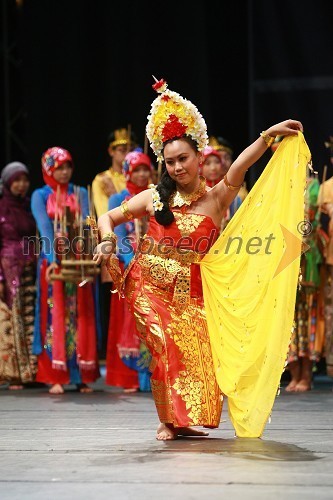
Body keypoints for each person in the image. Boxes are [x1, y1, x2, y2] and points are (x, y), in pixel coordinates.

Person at [94, 78, 308, 440]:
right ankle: (166, 420)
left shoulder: (218, 198)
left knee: (202, 358)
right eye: (171, 161)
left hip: (194, 290)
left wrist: (267, 135)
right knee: (164, 343)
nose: (177, 167)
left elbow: (240, 165)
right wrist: (106, 240)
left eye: (184, 159)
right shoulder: (153, 197)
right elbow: (109, 217)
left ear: (199, 158)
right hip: (149, 283)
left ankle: (183, 422)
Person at [31, 147, 100, 394]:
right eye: (58, 167)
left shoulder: (80, 193)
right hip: (55, 260)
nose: (64, 172)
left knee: (82, 314)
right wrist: (52, 259)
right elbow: (44, 228)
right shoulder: (40, 195)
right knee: (55, 315)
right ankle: (55, 375)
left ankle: (82, 375)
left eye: (67, 166)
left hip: (78, 258)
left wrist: (88, 251)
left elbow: (87, 225)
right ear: (49, 169)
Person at [106, 150, 153, 392]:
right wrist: (131, 259)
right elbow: (120, 236)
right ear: (127, 173)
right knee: (129, 319)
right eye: (137, 170)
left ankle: (150, 375)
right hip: (130, 265)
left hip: (154, 263)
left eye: (146, 169)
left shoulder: (156, 195)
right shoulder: (118, 199)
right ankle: (129, 377)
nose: (143, 174)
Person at [92, 128, 136, 360]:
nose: (125, 153)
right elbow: (106, 214)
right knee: (115, 301)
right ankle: (115, 357)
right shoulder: (103, 179)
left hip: (139, 243)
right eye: (121, 149)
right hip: (114, 244)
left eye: (129, 149)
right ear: (111, 151)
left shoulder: (139, 174)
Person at [0, 162, 37, 389]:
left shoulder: (26, 206)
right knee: (13, 318)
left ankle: (29, 372)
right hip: (8, 266)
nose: (22, 184)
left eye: (24, 179)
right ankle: (13, 373)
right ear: (7, 182)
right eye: (17, 180)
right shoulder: (2, 207)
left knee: (27, 316)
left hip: (28, 265)